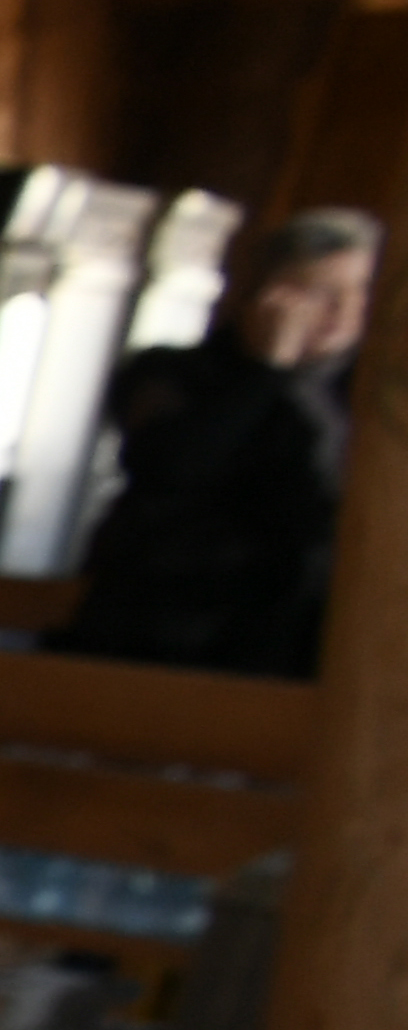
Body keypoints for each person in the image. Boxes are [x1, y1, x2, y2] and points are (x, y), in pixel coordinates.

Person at [54, 208, 372, 681]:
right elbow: (171, 465)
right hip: (171, 634)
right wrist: (265, 370)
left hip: (302, 645)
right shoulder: (172, 373)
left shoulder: (366, 398)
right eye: (323, 292)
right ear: (270, 292)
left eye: (359, 292)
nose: (344, 311)